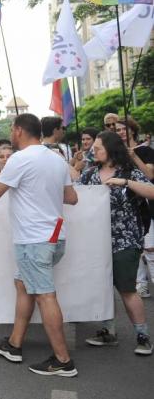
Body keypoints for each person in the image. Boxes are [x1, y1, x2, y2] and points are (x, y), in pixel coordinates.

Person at [0, 113, 79, 377]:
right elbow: (72, 198)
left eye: (12, 128)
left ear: (20, 131)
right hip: (55, 237)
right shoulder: (56, 159)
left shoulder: (20, 159)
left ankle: (63, 361)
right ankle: (14, 344)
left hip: (33, 240)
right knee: (23, 286)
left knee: (45, 296)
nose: (11, 133)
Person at [78, 131, 153, 355]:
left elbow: (151, 191)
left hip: (125, 240)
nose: (94, 151)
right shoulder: (90, 174)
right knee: (101, 287)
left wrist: (126, 182)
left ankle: (143, 336)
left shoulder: (129, 172)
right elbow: (73, 194)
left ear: (111, 149)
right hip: (96, 241)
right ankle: (108, 331)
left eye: (98, 147)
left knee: (127, 288)